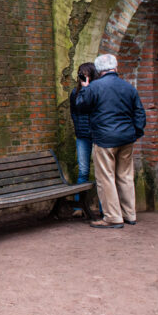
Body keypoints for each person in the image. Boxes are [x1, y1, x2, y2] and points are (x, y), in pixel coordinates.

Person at [73, 53, 147, 229]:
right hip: (127, 138)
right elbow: (139, 113)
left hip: (105, 138)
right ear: (116, 67)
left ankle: (113, 217)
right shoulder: (128, 87)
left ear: (99, 69)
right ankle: (130, 214)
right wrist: (136, 132)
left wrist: (84, 87)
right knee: (125, 176)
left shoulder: (94, 87)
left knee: (106, 178)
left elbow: (81, 106)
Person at [67, 62, 99, 216]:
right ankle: (79, 207)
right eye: (80, 73)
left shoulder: (96, 91)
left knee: (101, 173)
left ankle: (103, 208)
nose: (82, 76)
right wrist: (79, 127)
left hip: (97, 135)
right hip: (82, 136)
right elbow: (74, 113)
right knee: (83, 171)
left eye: (85, 73)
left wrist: (87, 88)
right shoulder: (75, 93)